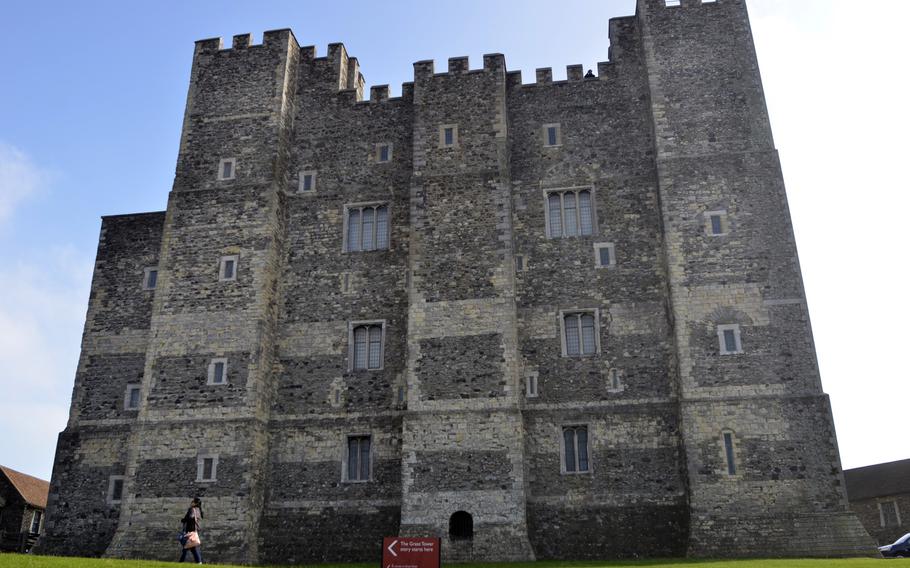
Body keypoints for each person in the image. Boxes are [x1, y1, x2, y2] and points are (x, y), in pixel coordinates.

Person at [179, 497, 204, 564]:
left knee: (186, 547)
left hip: (190, 531)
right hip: (195, 531)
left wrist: (183, 520)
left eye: (192, 502)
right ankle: (199, 562)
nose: (191, 503)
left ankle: (181, 562)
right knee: (194, 548)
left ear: (195, 503)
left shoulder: (192, 509)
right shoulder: (199, 510)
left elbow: (190, 517)